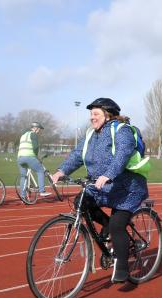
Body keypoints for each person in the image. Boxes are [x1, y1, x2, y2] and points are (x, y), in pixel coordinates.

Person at [51, 97, 149, 283]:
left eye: (95, 114)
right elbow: (77, 155)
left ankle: (122, 268)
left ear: (107, 115)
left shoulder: (122, 130)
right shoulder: (90, 134)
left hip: (127, 187)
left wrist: (109, 174)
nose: (91, 117)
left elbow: (123, 153)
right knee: (81, 201)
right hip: (101, 186)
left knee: (117, 224)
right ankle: (107, 225)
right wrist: (61, 171)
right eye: (90, 114)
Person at [17, 121, 51, 198]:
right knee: (40, 171)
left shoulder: (23, 135)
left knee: (23, 176)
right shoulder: (33, 134)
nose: (39, 131)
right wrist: (36, 156)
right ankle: (42, 191)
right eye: (39, 129)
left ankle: (23, 196)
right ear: (35, 128)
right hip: (29, 156)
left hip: (20, 157)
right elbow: (35, 147)